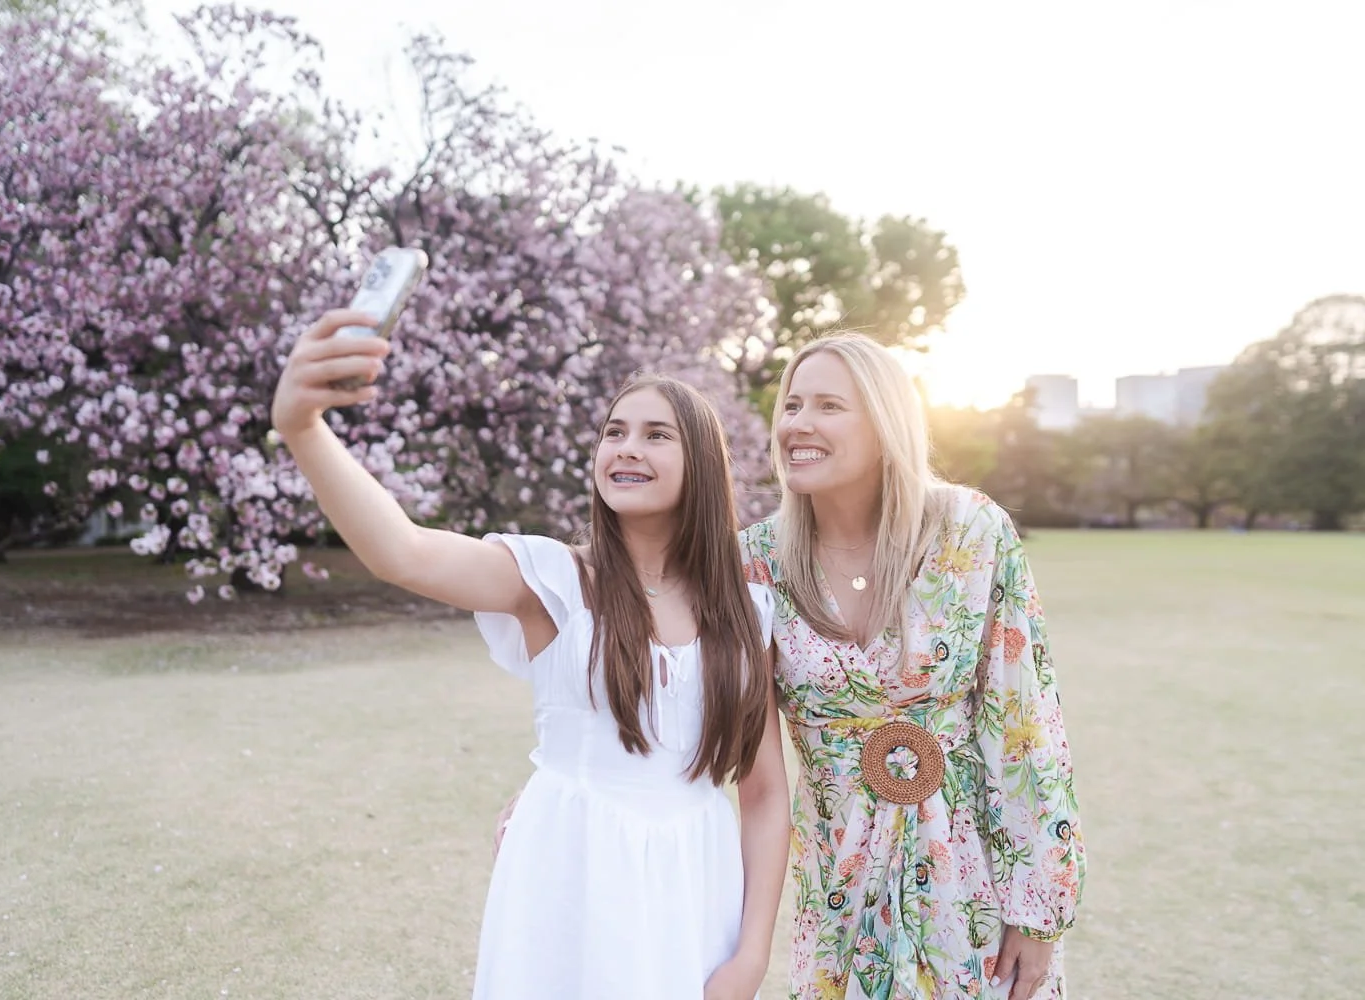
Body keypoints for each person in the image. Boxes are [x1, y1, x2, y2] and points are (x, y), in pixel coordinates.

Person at [499, 332, 1087, 1000]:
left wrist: (1039, 909)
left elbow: (1026, 727)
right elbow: (672, 680)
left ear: (885, 421)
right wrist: (555, 790)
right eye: (792, 405)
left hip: (969, 874)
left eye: (828, 406)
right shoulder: (753, 565)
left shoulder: (971, 533)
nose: (797, 424)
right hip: (839, 882)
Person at [270, 307, 792, 1000]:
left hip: (694, 886)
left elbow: (762, 795)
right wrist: (303, 429)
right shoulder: (553, 581)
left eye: (655, 435)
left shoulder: (745, 614)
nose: (626, 448)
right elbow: (404, 551)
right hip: (568, 876)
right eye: (614, 432)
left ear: (702, 465)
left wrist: (752, 955)